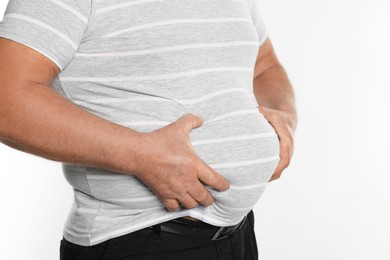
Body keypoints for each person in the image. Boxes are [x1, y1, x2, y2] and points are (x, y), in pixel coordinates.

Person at [0, 0, 297, 259]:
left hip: (238, 235)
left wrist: (284, 115)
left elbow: (265, 66)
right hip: (139, 240)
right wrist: (140, 155)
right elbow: (6, 100)